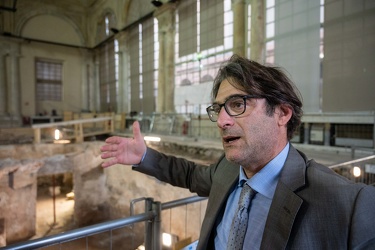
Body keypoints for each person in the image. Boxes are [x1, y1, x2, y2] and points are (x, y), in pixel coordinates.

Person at [100, 54, 375, 250]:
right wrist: (144, 156)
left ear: (282, 112)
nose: (222, 121)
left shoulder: (346, 205)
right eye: (219, 109)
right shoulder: (228, 168)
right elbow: (190, 174)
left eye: (238, 104)